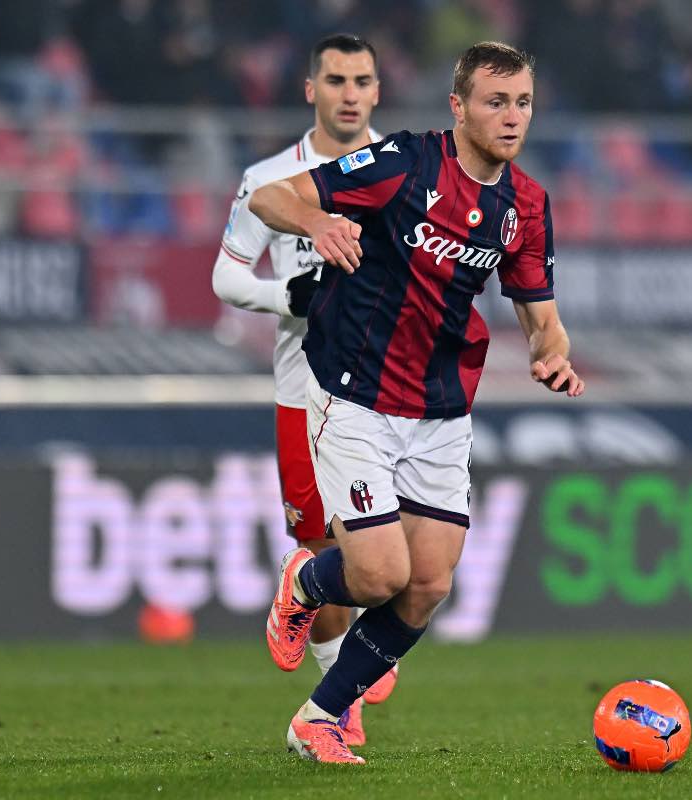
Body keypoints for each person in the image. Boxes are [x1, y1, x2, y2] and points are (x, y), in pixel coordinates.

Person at [249, 41, 585, 765]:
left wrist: (550, 351)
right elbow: (269, 197)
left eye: (523, 102)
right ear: (458, 106)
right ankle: (306, 579)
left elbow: (540, 313)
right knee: (376, 574)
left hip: (441, 409)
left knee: (428, 583)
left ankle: (320, 716)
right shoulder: (403, 162)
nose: (511, 116)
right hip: (357, 392)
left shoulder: (526, 205)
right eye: (496, 102)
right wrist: (317, 223)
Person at [210, 33, 398, 749]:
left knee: (397, 550)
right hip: (306, 389)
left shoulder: (403, 172)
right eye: (336, 79)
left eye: (362, 80)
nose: (350, 93)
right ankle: (335, 701)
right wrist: (296, 296)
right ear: (310, 90)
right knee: (326, 543)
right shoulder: (269, 179)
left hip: (392, 392)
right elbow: (225, 278)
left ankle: (321, 622)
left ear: (378, 90)